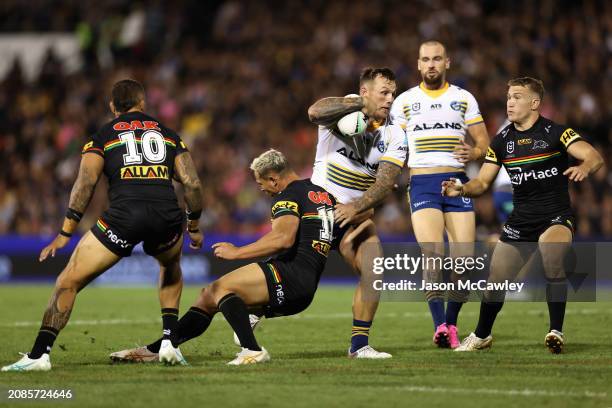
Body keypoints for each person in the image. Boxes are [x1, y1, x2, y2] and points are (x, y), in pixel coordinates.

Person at [1, 79, 204, 371]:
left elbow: (85, 184)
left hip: (124, 218)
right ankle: (170, 342)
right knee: (170, 268)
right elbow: (192, 184)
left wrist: (64, 233)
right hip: (167, 217)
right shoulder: (169, 135)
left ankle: (38, 355)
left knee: (68, 281)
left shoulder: (103, 136)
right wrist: (194, 225)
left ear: (112, 107)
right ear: (142, 103)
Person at [110, 149, 338, 365]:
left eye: (261, 184)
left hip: (291, 275)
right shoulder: (321, 195)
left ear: (274, 179)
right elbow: (348, 220)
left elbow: (282, 239)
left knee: (221, 289)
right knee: (208, 296)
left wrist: (236, 252)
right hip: (304, 281)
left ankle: (252, 351)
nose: (262, 190)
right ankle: (157, 349)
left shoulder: (287, 196)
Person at [442, 77, 603, 353]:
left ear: (535, 103)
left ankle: (555, 331)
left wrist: (585, 168)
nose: (510, 102)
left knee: (552, 254)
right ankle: (482, 336)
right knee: (496, 279)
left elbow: (593, 156)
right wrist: (462, 189)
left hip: (555, 215)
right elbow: (482, 183)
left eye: (517, 97)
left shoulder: (556, 133)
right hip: (521, 220)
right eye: (508, 97)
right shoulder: (502, 141)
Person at [390, 40, 489, 348]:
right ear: (418, 65)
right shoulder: (405, 101)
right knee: (433, 255)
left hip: (457, 182)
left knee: (463, 262)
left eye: (436, 59)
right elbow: (393, 144)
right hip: (422, 184)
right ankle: (440, 327)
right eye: (425, 59)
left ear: (448, 62)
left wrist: (474, 152)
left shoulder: (463, 98)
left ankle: (452, 323)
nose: (431, 64)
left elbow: (484, 143)